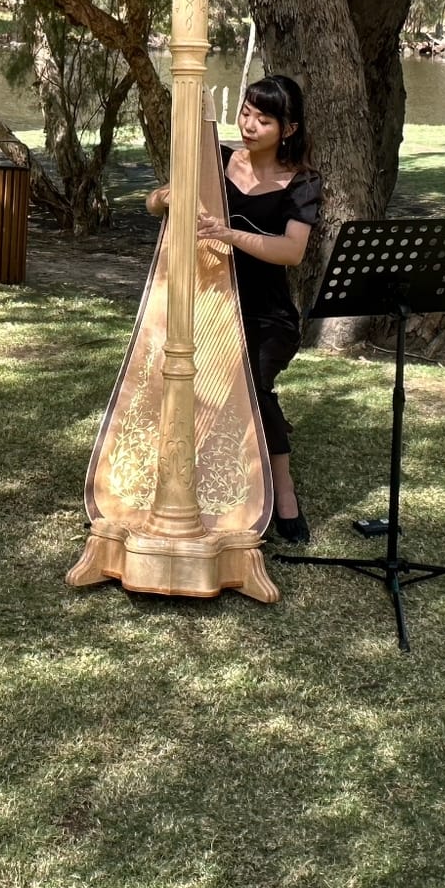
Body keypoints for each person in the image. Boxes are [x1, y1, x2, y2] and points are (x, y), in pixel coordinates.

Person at [145, 74, 321, 543]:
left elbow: (291, 252)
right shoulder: (216, 160)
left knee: (252, 384)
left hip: (268, 316)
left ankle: (283, 491)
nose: (249, 125)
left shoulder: (301, 183)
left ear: (288, 128)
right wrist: (165, 199)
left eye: (263, 120)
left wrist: (228, 235)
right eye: (245, 113)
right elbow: (153, 202)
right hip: (208, 303)